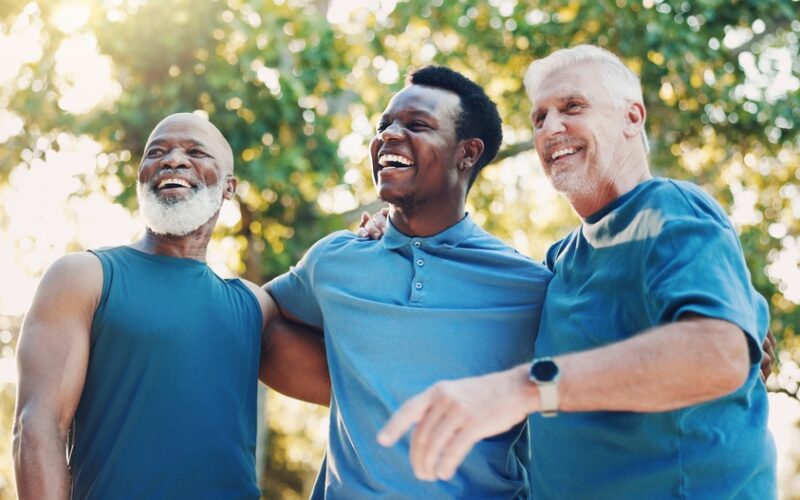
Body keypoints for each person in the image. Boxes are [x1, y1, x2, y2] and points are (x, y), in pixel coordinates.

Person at [378, 45, 777, 498]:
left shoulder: (668, 209)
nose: (551, 128)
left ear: (632, 118)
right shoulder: (560, 259)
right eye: (540, 118)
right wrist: (393, 229)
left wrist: (527, 389)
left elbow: (719, 355)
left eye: (572, 107)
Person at [266, 66, 552, 498]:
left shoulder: (528, 286)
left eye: (417, 125)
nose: (389, 135)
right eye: (384, 125)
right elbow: (255, 324)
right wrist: (359, 393)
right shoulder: (334, 261)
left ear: (468, 153)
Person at [13, 113, 329, 499]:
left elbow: (356, 386)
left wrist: (382, 241)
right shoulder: (83, 277)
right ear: (142, 175)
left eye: (196, 152)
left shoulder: (252, 306)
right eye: (157, 152)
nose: (173, 160)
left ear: (229, 187)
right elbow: (38, 427)